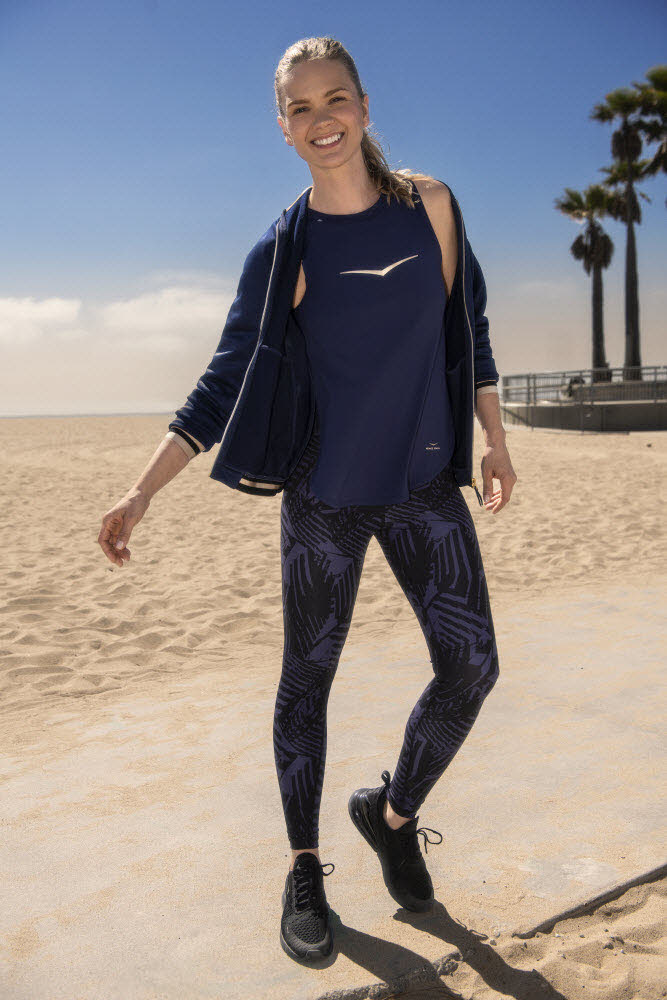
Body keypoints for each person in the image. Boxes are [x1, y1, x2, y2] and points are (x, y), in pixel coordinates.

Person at [98, 35, 517, 965]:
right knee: (308, 680)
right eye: (300, 108)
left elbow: (469, 327)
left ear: (363, 107)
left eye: (335, 100)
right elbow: (222, 380)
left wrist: (493, 437)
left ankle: (390, 815)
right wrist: (140, 491)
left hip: (420, 482)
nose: (321, 120)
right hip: (324, 494)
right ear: (282, 130)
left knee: (472, 666)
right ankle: (303, 867)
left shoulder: (432, 207)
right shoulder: (284, 247)